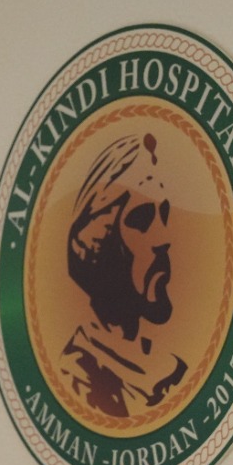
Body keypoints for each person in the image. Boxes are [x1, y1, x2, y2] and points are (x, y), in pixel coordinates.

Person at [62, 131, 188, 418]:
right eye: (142, 220)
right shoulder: (80, 377)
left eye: (164, 214)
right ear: (99, 243)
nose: (164, 238)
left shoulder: (172, 368)